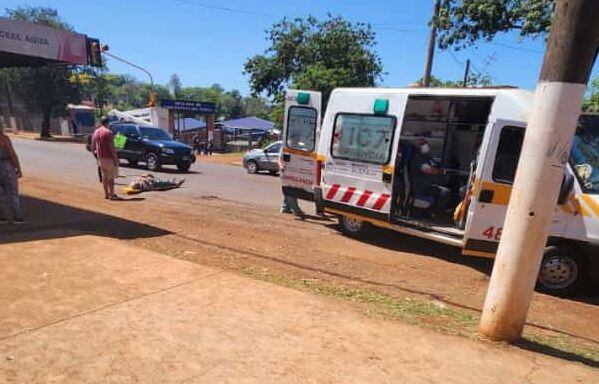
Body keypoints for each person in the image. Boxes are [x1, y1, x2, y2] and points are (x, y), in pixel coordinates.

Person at [407, 138, 450, 218]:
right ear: (418, 147)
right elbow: (427, 169)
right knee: (445, 192)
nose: (426, 146)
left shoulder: (425, 157)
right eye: (423, 144)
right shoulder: (416, 158)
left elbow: (432, 165)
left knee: (445, 190)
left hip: (426, 185)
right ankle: (435, 215)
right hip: (420, 188)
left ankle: (434, 212)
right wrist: (440, 171)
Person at [0, 127, 25, 224]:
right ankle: (17, 216)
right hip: (6, 166)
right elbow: (11, 154)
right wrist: (18, 167)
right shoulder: (4, 139)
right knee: (13, 192)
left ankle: (2, 217)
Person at [92, 117, 119, 200]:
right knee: (111, 177)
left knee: (104, 176)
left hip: (101, 158)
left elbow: (93, 145)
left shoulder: (96, 132)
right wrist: (116, 158)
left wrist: (96, 155)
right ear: (108, 123)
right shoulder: (108, 132)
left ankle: (106, 194)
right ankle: (111, 195)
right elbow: (111, 147)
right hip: (109, 157)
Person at [278, 145, 305, 217]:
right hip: (286, 171)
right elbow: (279, 159)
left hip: (294, 172)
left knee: (290, 189)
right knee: (290, 190)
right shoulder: (285, 145)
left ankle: (285, 207)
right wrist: (281, 167)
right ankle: (296, 210)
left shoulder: (299, 146)